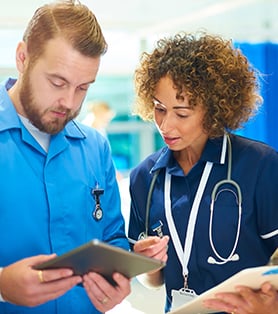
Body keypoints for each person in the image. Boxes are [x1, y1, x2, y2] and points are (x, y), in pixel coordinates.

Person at [128, 32, 278, 314]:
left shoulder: (260, 165)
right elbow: (153, 281)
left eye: (181, 113)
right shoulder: (144, 178)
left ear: (213, 110)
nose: (166, 125)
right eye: (160, 109)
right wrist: (149, 264)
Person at [0, 1, 131, 313]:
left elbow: (113, 238)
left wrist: (118, 281)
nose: (69, 102)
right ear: (22, 57)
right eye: (57, 82)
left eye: (83, 88)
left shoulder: (95, 147)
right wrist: (2, 285)